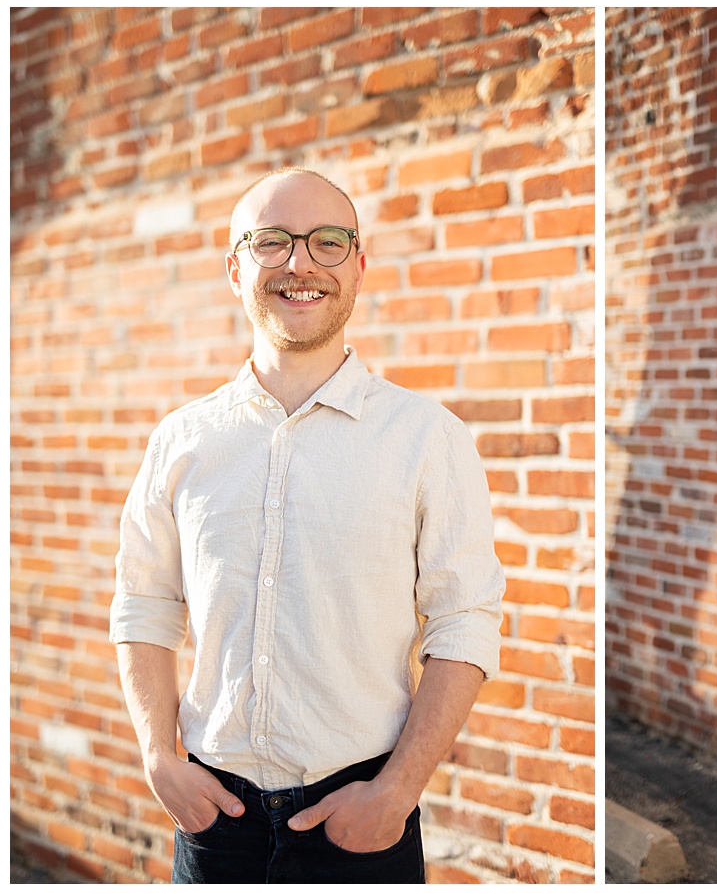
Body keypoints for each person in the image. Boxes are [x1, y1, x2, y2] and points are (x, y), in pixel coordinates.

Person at [110, 167, 505, 884]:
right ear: (235, 268)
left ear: (359, 265)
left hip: (361, 819)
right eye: (271, 242)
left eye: (328, 242)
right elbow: (144, 604)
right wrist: (157, 756)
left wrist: (397, 792)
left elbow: (465, 622)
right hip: (212, 821)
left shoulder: (426, 437)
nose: (300, 263)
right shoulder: (181, 440)